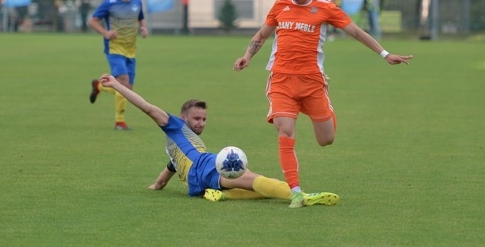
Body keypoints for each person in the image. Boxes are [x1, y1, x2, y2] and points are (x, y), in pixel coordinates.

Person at [233, 0, 413, 208]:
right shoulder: (280, 6)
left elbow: (357, 32)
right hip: (281, 80)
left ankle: (322, 110)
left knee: (326, 139)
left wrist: (385, 54)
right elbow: (262, 35)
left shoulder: (325, 7)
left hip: (312, 82)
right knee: (285, 131)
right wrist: (247, 56)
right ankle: (295, 192)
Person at [101, 75, 339, 206]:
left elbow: (167, 173)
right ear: (183, 117)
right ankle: (299, 196)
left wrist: (156, 186)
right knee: (255, 179)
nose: (200, 123)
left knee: (255, 183)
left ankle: (223, 194)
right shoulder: (174, 125)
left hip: (199, 180)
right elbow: (147, 107)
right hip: (205, 165)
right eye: (196, 118)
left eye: (204, 119)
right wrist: (117, 85)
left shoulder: (178, 148)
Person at [87, 0, 149, 130]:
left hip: (131, 50)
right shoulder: (110, 3)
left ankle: (99, 87)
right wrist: (105, 33)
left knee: (127, 90)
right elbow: (92, 21)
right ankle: (119, 122)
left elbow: (140, 18)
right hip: (114, 49)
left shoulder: (137, 2)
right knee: (123, 80)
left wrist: (143, 28)